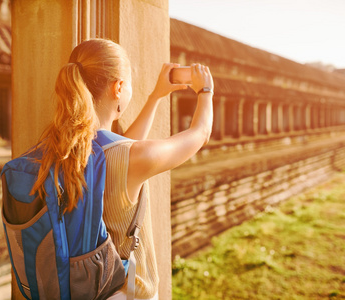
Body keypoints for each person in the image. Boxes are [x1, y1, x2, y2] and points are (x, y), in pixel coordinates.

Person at [30, 38, 213, 299]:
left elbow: (125, 145)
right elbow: (201, 133)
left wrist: (155, 97)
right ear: (118, 88)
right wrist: (206, 91)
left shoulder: (60, 148)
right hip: (127, 292)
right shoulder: (130, 158)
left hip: (76, 287)